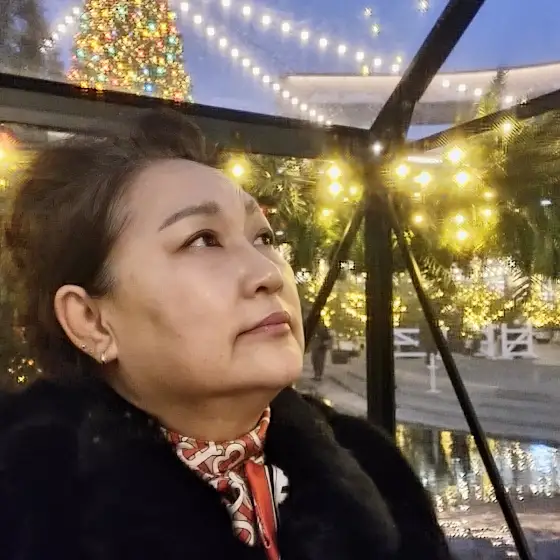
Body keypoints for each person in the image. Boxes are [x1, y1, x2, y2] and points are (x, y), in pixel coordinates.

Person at [0, 109, 452, 560]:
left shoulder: (373, 469)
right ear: (91, 321)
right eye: (202, 239)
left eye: (264, 238)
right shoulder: (27, 507)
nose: (267, 274)